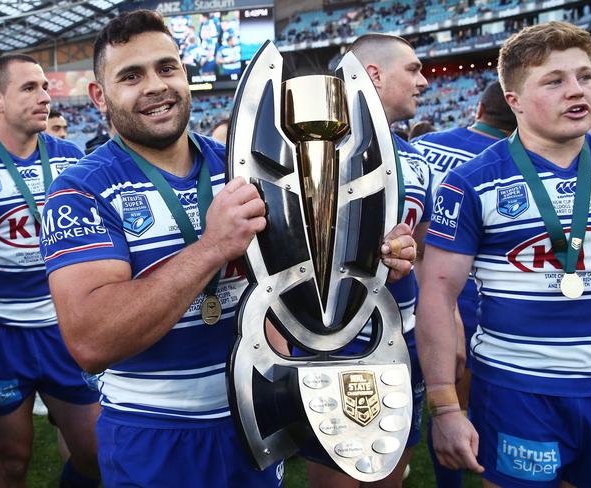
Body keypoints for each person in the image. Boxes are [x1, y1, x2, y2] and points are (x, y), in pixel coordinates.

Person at [39, 10, 417, 487]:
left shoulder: (249, 164)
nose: (155, 85)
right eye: (131, 76)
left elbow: (309, 273)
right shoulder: (79, 191)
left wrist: (374, 255)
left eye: (166, 68)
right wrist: (211, 248)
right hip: (154, 432)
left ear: (185, 74)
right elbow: (91, 342)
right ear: (99, 96)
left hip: (257, 415)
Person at [416, 21, 591, 487]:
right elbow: (436, 294)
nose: (577, 91)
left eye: (585, 76)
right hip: (515, 391)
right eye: (554, 81)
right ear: (512, 100)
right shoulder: (471, 182)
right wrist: (446, 407)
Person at [299, 33, 432, 488]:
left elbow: (424, 255)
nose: (425, 81)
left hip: (405, 338)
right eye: (412, 69)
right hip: (336, 342)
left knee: (390, 473)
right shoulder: (310, 156)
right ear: (372, 74)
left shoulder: (420, 162)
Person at [0, 54, 100, 487]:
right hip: (0, 335)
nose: (44, 96)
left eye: (44, 87)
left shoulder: (73, 160)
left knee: (93, 454)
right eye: (29, 88)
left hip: (63, 329)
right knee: (12, 459)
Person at [411, 80, 516, 488]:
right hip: (480, 292)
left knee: (442, 399)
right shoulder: (511, 160)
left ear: (477, 109)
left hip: (417, 282)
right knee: (474, 398)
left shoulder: (424, 146)